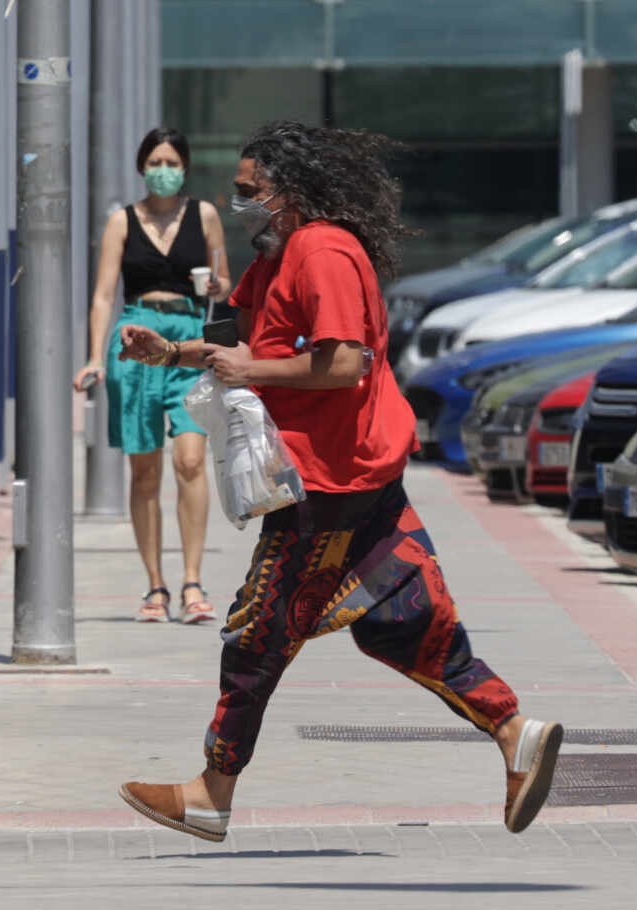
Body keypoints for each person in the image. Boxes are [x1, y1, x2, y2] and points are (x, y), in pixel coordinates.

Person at [113, 120, 563, 841]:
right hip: (356, 473)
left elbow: (343, 362)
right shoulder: (282, 251)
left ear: (291, 191)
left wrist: (251, 372)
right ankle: (516, 731)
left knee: (257, 633)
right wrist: (171, 352)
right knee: (404, 622)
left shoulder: (323, 251)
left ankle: (210, 792)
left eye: (250, 191)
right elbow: (242, 339)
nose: (240, 203)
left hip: (330, 483)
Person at [74, 127, 231, 624]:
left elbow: (224, 284)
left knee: (190, 459)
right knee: (144, 470)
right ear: (142, 167)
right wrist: (94, 356)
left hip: (187, 338)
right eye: (155, 160)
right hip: (135, 339)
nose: (164, 168)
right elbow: (103, 294)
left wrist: (217, 284)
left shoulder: (204, 215)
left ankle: (191, 581)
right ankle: (155, 587)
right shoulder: (121, 221)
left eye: (172, 160)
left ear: (184, 166)